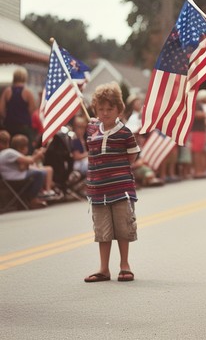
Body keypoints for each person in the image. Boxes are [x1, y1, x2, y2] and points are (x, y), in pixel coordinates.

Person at [84, 82, 140, 283]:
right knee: (102, 231)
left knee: (123, 228)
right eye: (101, 109)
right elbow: (90, 152)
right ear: (95, 109)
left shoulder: (124, 133)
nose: (105, 113)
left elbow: (132, 156)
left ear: (119, 109)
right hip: (98, 190)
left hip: (120, 189)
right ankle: (103, 268)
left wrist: (118, 171)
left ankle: (124, 265)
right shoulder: (92, 130)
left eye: (110, 109)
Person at [0, 130, 48, 209]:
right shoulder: (8, 152)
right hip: (16, 178)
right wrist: (38, 155)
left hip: (7, 179)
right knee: (40, 173)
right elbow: (30, 161)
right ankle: (33, 199)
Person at [0, 67, 37, 149]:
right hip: (24, 127)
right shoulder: (27, 92)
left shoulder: (7, 91)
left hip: (9, 126)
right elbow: (32, 110)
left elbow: (1, 110)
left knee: (9, 149)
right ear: (25, 77)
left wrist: (7, 117)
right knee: (24, 150)